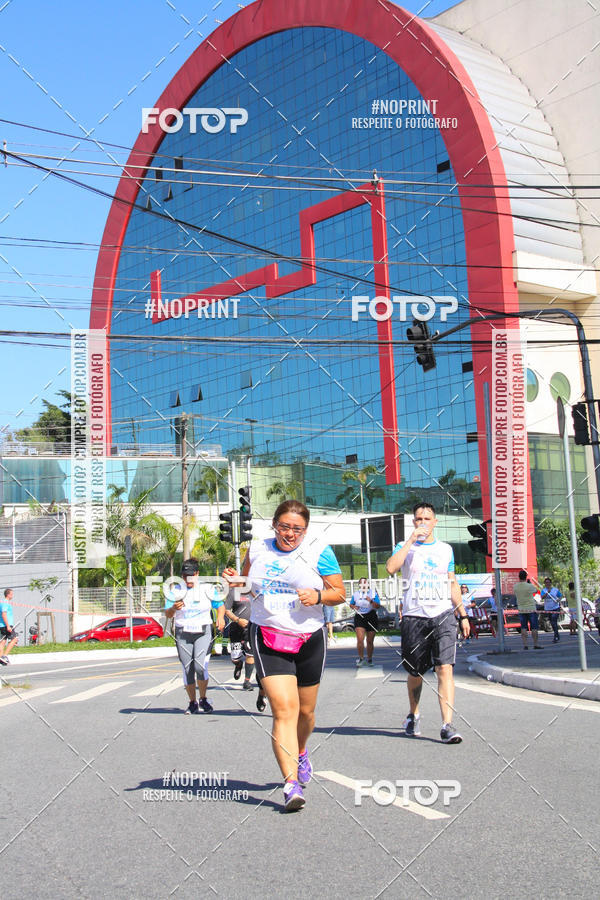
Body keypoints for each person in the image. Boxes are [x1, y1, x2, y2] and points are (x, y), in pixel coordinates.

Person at [225, 499, 345, 812]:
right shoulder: (258, 550)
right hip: (267, 634)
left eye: (297, 529)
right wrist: (238, 582)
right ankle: (290, 784)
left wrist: (318, 595)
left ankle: (301, 750)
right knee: (285, 710)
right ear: (274, 525)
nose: (290, 534)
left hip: (309, 638)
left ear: (306, 530)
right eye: (284, 526)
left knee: (306, 712)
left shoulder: (320, 551)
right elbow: (248, 587)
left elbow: (340, 593)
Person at [386, 502, 469, 744]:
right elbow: (391, 568)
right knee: (415, 671)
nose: (423, 522)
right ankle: (414, 714)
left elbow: (452, 582)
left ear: (435, 521)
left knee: (445, 668)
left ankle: (447, 725)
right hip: (414, 616)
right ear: (414, 522)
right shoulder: (404, 546)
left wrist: (462, 613)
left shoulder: (445, 550)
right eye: (418, 518)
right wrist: (410, 541)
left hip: (443, 615)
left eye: (427, 518)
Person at [164, 558, 225, 714]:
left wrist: (220, 617)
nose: (188, 579)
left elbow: (220, 606)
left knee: (199, 665)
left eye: (191, 575)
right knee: (187, 668)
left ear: (197, 574)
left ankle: (203, 698)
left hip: (203, 631)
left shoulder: (207, 589)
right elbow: (168, 614)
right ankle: (192, 702)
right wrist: (173, 608)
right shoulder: (175, 590)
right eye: (185, 576)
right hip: (183, 631)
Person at [223, 575, 267, 712]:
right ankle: (238, 665)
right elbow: (227, 610)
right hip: (236, 628)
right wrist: (237, 620)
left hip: (251, 628)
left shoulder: (254, 591)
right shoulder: (233, 592)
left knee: (250, 654)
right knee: (235, 657)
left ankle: (247, 681)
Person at [349, 577, 381, 666]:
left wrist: (370, 601)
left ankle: (370, 659)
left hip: (371, 616)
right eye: (361, 583)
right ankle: (361, 658)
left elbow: (378, 606)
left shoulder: (373, 593)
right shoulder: (356, 594)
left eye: (365, 583)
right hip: (360, 617)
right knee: (360, 639)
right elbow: (351, 604)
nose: (363, 585)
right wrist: (354, 607)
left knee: (370, 641)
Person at [513, 570, 542, 649]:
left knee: (523, 627)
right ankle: (535, 644)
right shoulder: (529, 586)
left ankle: (525, 645)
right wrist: (530, 584)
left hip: (521, 609)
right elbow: (536, 590)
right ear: (526, 577)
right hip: (531, 608)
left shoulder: (515, 586)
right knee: (534, 627)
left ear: (519, 577)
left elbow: (515, 593)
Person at [541, 577, 563, 642]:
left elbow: (560, 596)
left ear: (550, 583)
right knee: (552, 622)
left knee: (554, 621)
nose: (547, 584)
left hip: (555, 608)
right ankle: (556, 634)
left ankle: (555, 636)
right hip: (548, 608)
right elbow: (542, 597)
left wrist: (558, 600)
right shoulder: (544, 590)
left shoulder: (555, 590)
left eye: (548, 582)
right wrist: (547, 593)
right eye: (546, 583)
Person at [0, 588, 18, 665]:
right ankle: (4, 656)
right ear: (8, 594)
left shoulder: (3, 602)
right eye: (12, 594)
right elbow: (4, 614)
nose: (12, 595)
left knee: (3, 642)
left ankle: (1, 659)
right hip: (6, 625)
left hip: (2, 625)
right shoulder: (5, 603)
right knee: (14, 639)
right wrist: (8, 626)